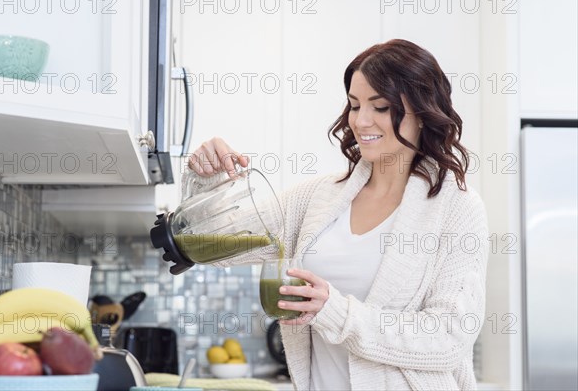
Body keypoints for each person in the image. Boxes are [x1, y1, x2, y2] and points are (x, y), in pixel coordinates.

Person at [187, 39, 488, 391]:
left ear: (422, 113)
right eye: (354, 105)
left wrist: (335, 312)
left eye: (381, 107)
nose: (361, 121)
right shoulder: (318, 197)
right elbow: (218, 244)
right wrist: (207, 182)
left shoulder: (457, 209)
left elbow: (449, 339)